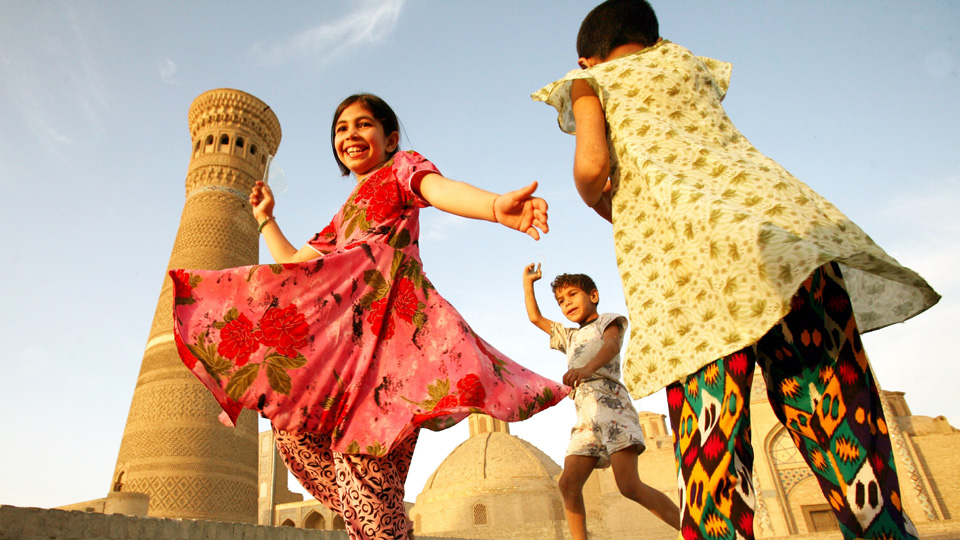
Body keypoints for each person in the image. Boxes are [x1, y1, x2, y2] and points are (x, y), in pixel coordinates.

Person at [531, 2, 940, 539]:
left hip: (692, 270)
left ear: (586, 58)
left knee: (713, 455)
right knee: (838, 421)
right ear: (655, 41)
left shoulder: (588, 83)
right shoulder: (686, 64)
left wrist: (602, 201)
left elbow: (591, 168)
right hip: (791, 242)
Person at [170, 93, 568, 540]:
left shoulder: (401, 170)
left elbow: (439, 189)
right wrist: (266, 219)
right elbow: (295, 269)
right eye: (341, 128)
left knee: (367, 480)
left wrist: (495, 207)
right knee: (297, 433)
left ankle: (384, 522)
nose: (350, 135)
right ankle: (387, 523)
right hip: (345, 360)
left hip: (393, 359)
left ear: (390, 138)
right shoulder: (344, 216)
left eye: (362, 124)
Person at [522, 263, 680, 539]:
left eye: (572, 295)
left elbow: (611, 346)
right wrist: (528, 283)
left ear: (593, 295)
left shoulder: (607, 321)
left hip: (612, 407)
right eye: (561, 300)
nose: (566, 303)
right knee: (568, 484)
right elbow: (535, 318)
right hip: (586, 418)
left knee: (629, 486)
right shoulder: (568, 337)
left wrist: (587, 369)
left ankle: (694, 529)